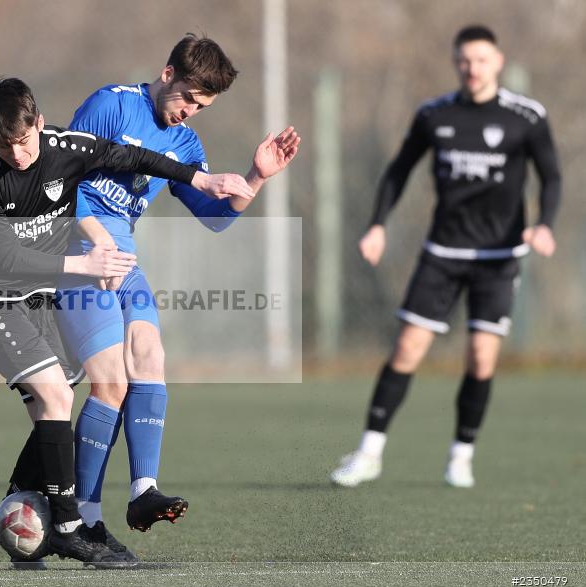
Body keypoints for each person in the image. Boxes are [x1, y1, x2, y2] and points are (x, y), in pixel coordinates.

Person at [0, 77, 255, 568]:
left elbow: (132, 157)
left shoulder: (66, 148)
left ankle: (16, 506)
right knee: (57, 395)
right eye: (6, 146)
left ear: (40, 124)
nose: (18, 155)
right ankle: (70, 528)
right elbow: (3, 258)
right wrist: (83, 263)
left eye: (24, 141)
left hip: (37, 294)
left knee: (54, 405)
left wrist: (199, 180)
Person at [53, 33, 301, 557]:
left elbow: (213, 217)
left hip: (123, 261)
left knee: (150, 354)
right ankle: (84, 519)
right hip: (78, 255)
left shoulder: (185, 144)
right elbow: (60, 182)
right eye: (187, 98)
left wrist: (256, 177)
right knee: (111, 383)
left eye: (201, 107)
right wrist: (95, 240)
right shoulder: (112, 104)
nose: (190, 111)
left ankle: (143, 491)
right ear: (167, 74)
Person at [330, 25, 561, 488]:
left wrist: (545, 225)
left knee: (481, 358)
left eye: (481, 60)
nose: (472, 68)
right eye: (464, 60)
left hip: (498, 258)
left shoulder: (527, 116)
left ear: (497, 62)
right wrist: (378, 225)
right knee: (406, 349)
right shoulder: (435, 114)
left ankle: (461, 456)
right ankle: (369, 452)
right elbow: (398, 171)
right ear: (455, 62)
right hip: (442, 253)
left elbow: (551, 176)